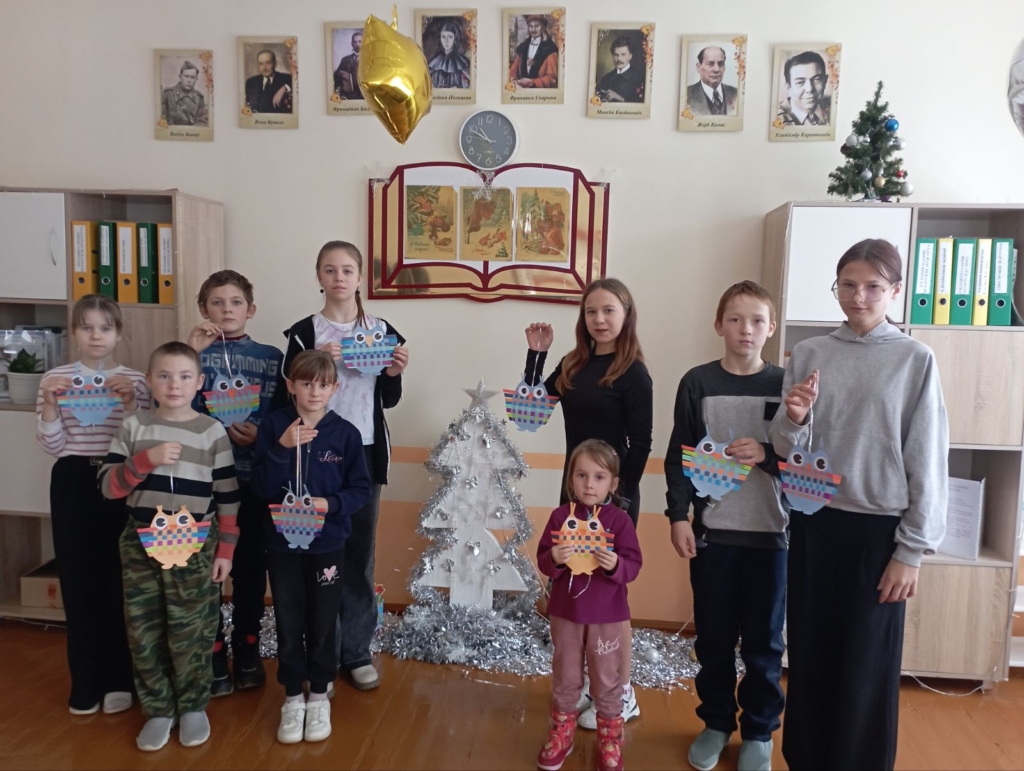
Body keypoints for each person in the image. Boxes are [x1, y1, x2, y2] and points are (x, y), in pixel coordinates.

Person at [770, 239, 948, 770]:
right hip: (814, 524)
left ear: (895, 291)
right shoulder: (809, 353)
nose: (859, 296)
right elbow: (785, 447)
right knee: (809, 655)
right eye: (847, 285)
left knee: (866, 666)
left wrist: (910, 551)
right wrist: (795, 418)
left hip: (878, 535)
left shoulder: (914, 359)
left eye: (873, 286)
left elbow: (927, 456)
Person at [665, 281, 787, 771]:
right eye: (735, 319)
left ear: (771, 328)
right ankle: (716, 723)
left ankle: (759, 732)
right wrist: (678, 516)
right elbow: (679, 456)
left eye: (757, 320)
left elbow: (805, 462)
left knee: (765, 645)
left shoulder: (786, 385)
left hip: (772, 540)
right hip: (713, 537)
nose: (745, 329)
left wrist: (767, 455)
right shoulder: (697, 382)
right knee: (713, 640)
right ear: (719, 325)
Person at [524, 277, 653, 731]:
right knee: (572, 592)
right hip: (574, 495)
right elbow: (532, 410)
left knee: (610, 600)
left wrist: (619, 500)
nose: (599, 319)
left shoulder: (633, 372)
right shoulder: (573, 364)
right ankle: (582, 687)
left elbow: (641, 443)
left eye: (609, 310)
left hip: (614, 502)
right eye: (591, 311)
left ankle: (622, 693)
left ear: (626, 315)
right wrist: (537, 356)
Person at [100, 341, 240, 752]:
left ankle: (193, 705)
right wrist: (145, 461)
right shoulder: (134, 427)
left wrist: (226, 550)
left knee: (192, 628)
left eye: (183, 376)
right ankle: (159, 708)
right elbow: (108, 488)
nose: (174, 385)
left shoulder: (212, 431)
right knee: (144, 628)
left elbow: (228, 495)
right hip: (141, 543)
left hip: (196, 544)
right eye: (164, 376)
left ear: (199, 382)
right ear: (149, 381)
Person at [282, 240, 409, 693]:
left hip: (364, 455)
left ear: (360, 278)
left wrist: (393, 372)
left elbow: (388, 400)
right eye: (330, 270)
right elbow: (285, 395)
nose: (339, 277)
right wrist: (320, 362)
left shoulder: (381, 330)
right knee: (318, 557)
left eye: (348, 270)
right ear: (319, 276)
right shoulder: (305, 332)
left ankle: (356, 651)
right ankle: (322, 658)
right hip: (314, 455)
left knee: (358, 556)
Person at [36, 295, 150, 717]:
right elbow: (53, 445)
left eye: (105, 327)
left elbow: (144, 441)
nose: (96, 335)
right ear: (75, 332)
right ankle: (84, 683)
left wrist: (131, 404)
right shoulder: (55, 378)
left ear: (118, 333)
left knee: (120, 579)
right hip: (72, 480)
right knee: (77, 580)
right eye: (87, 327)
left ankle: (120, 679)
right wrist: (51, 405)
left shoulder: (136, 380)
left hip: (120, 477)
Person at [251, 350, 372, 744]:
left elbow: (359, 490)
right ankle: (292, 696)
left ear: (334, 388)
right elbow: (260, 486)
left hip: (328, 544)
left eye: (322, 385)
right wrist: (282, 447)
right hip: (282, 545)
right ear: (291, 385)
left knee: (322, 619)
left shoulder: (346, 434)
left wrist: (330, 504)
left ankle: (319, 694)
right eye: (306, 383)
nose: (314, 392)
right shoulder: (274, 426)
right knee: (289, 620)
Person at [187, 270, 285, 697]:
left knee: (248, 570)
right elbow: (169, 407)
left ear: (251, 309)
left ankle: (247, 646)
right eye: (216, 302)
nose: (226, 309)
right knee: (207, 570)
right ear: (202, 308)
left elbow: (286, 416)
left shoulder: (272, 357)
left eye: (235, 302)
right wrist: (191, 352)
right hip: (203, 484)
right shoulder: (190, 356)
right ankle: (212, 650)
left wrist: (261, 434)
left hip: (253, 482)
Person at [536, 440, 642, 771]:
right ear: (571, 479)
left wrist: (616, 565)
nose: (589, 484)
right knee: (565, 675)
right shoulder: (560, 517)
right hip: (566, 614)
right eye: (581, 475)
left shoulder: (620, 522)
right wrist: (554, 558)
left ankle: (609, 739)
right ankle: (562, 732)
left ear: (613, 483)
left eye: (599, 477)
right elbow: (544, 559)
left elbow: (633, 566)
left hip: (607, 617)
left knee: (607, 679)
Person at [776, 51, 830, 126]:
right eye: (800, 82)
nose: (809, 89)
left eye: (816, 79)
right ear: (789, 87)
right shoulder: (776, 119)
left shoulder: (835, 107)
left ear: (825, 81)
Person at [686, 45, 738, 116]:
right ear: (698, 67)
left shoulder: (736, 94)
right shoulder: (686, 95)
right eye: (710, 64)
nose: (716, 69)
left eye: (720, 64)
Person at [509, 15, 558, 89]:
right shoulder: (523, 47)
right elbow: (513, 71)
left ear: (542, 27)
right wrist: (514, 81)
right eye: (530, 26)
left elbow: (552, 79)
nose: (533, 30)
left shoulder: (550, 48)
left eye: (536, 26)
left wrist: (533, 82)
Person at [595, 36, 645, 103]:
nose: (619, 59)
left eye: (623, 54)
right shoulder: (606, 78)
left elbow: (642, 105)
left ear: (630, 56)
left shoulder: (640, 77)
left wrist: (621, 99)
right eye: (616, 55)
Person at [245, 49, 293, 114]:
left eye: (268, 63)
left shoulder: (287, 78)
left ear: (275, 63)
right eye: (261, 64)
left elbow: (297, 83)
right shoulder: (251, 82)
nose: (264, 67)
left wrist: (285, 87)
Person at [162, 60, 208, 126]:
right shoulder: (168, 94)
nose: (189, 80)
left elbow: (202, 122)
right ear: (180, 77)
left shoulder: (199, 98)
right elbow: (160, 120)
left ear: (196, 79)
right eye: (186, 76)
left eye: (192, 77)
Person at [428, 19, 471, 89]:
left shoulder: (462, 63)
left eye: (450, 37)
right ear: (439, 38)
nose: (446, 41)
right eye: (443, 37)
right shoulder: (434, 62)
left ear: (455, 39)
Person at [334, 31, 363, 100]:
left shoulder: (370, 59)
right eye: (355, 42)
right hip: (348, 96)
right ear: (352, 44)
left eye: (360, 41)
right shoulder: (345, 59)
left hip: (364, 97)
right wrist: (340, 73)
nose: (357, 44)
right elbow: (335, 76)